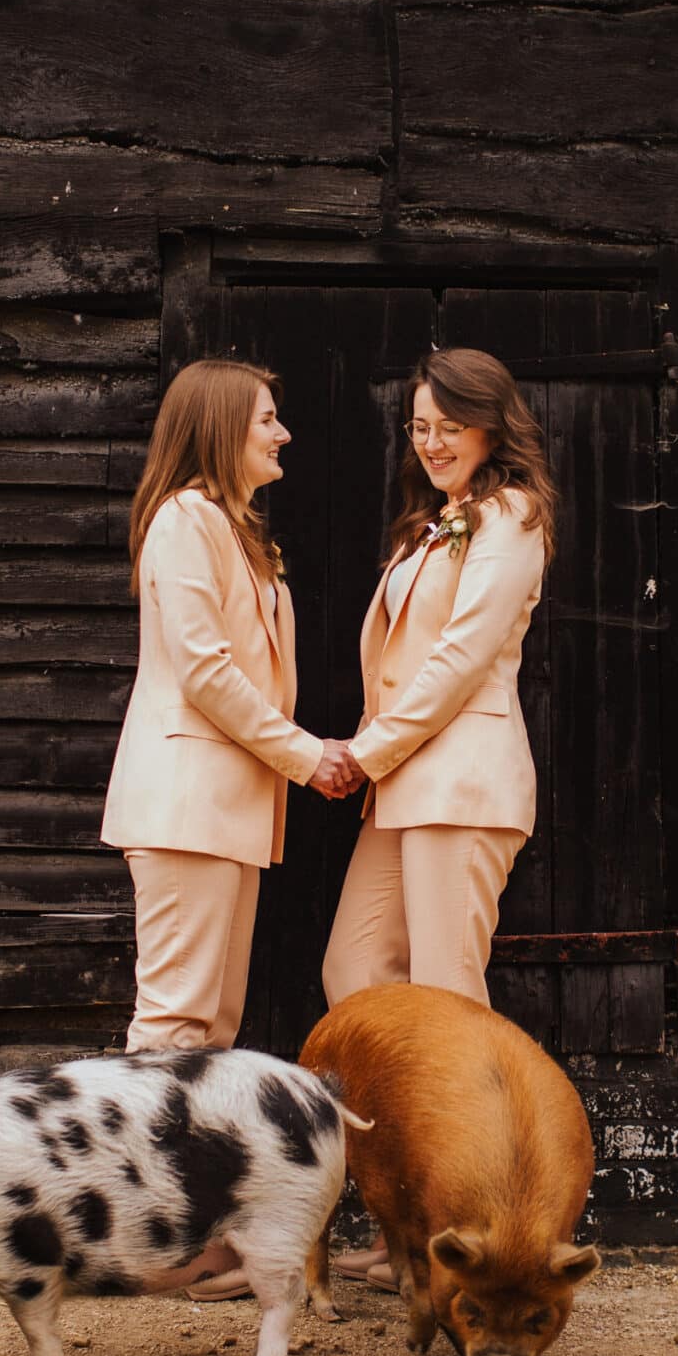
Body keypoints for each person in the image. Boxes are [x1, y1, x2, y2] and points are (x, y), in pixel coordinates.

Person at [317, 348, 558, 1285]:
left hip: (460, 783)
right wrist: (373, 762)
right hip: (403, 784)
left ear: (492, 422)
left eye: (447, 426)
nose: (431, 444)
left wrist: (361, 754)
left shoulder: (512, 516)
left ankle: (476, 1234)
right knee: (357, 973)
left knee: (452, 1004)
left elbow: (459, 660)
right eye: (419, 428)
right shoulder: (438, 524)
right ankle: (406, 1213)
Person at [102, 359, 362, 1061]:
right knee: (173, 1025)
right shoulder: (185, 520)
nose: (283, 433)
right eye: (266, 419)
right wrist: (308, 755)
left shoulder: (230, 526)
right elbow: (206, 671)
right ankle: (138, 1172)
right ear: (220, 429)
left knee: (211, 1030)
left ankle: (186, 1172)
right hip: (187, 809)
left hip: (224, 814)